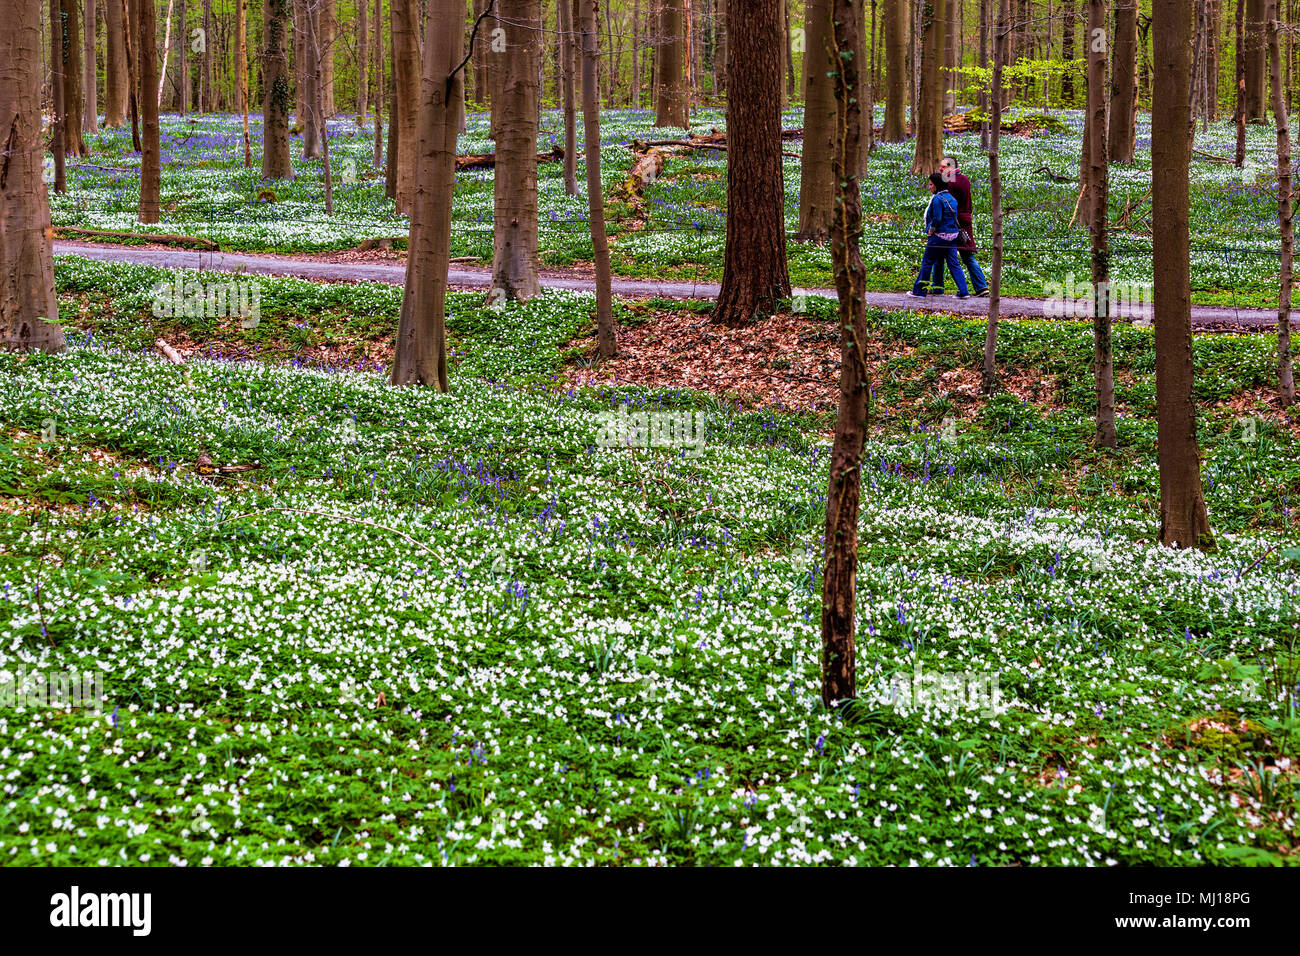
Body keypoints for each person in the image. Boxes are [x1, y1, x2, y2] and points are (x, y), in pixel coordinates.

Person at [932, 156, 990, 297]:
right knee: (967, 254)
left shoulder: (950, 182)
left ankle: (938, 287)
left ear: (951, 167)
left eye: (944, 166)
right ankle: (981, 286)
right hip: (965, 219)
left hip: (953, 221)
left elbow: (947, 203)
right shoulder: (964, 179)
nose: (941, 168)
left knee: (939, 253)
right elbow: (969, 202)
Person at [907, 173, 970, 299]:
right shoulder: (952, 198)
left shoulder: (937, 199)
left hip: (940, 236)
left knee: (927, 262)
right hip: (952, 236)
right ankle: (963, 291)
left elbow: (937, 218)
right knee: (954, 263)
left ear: (937, 186)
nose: (929, 187)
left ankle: (919, 291)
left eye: (931, 185)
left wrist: (931, 229)